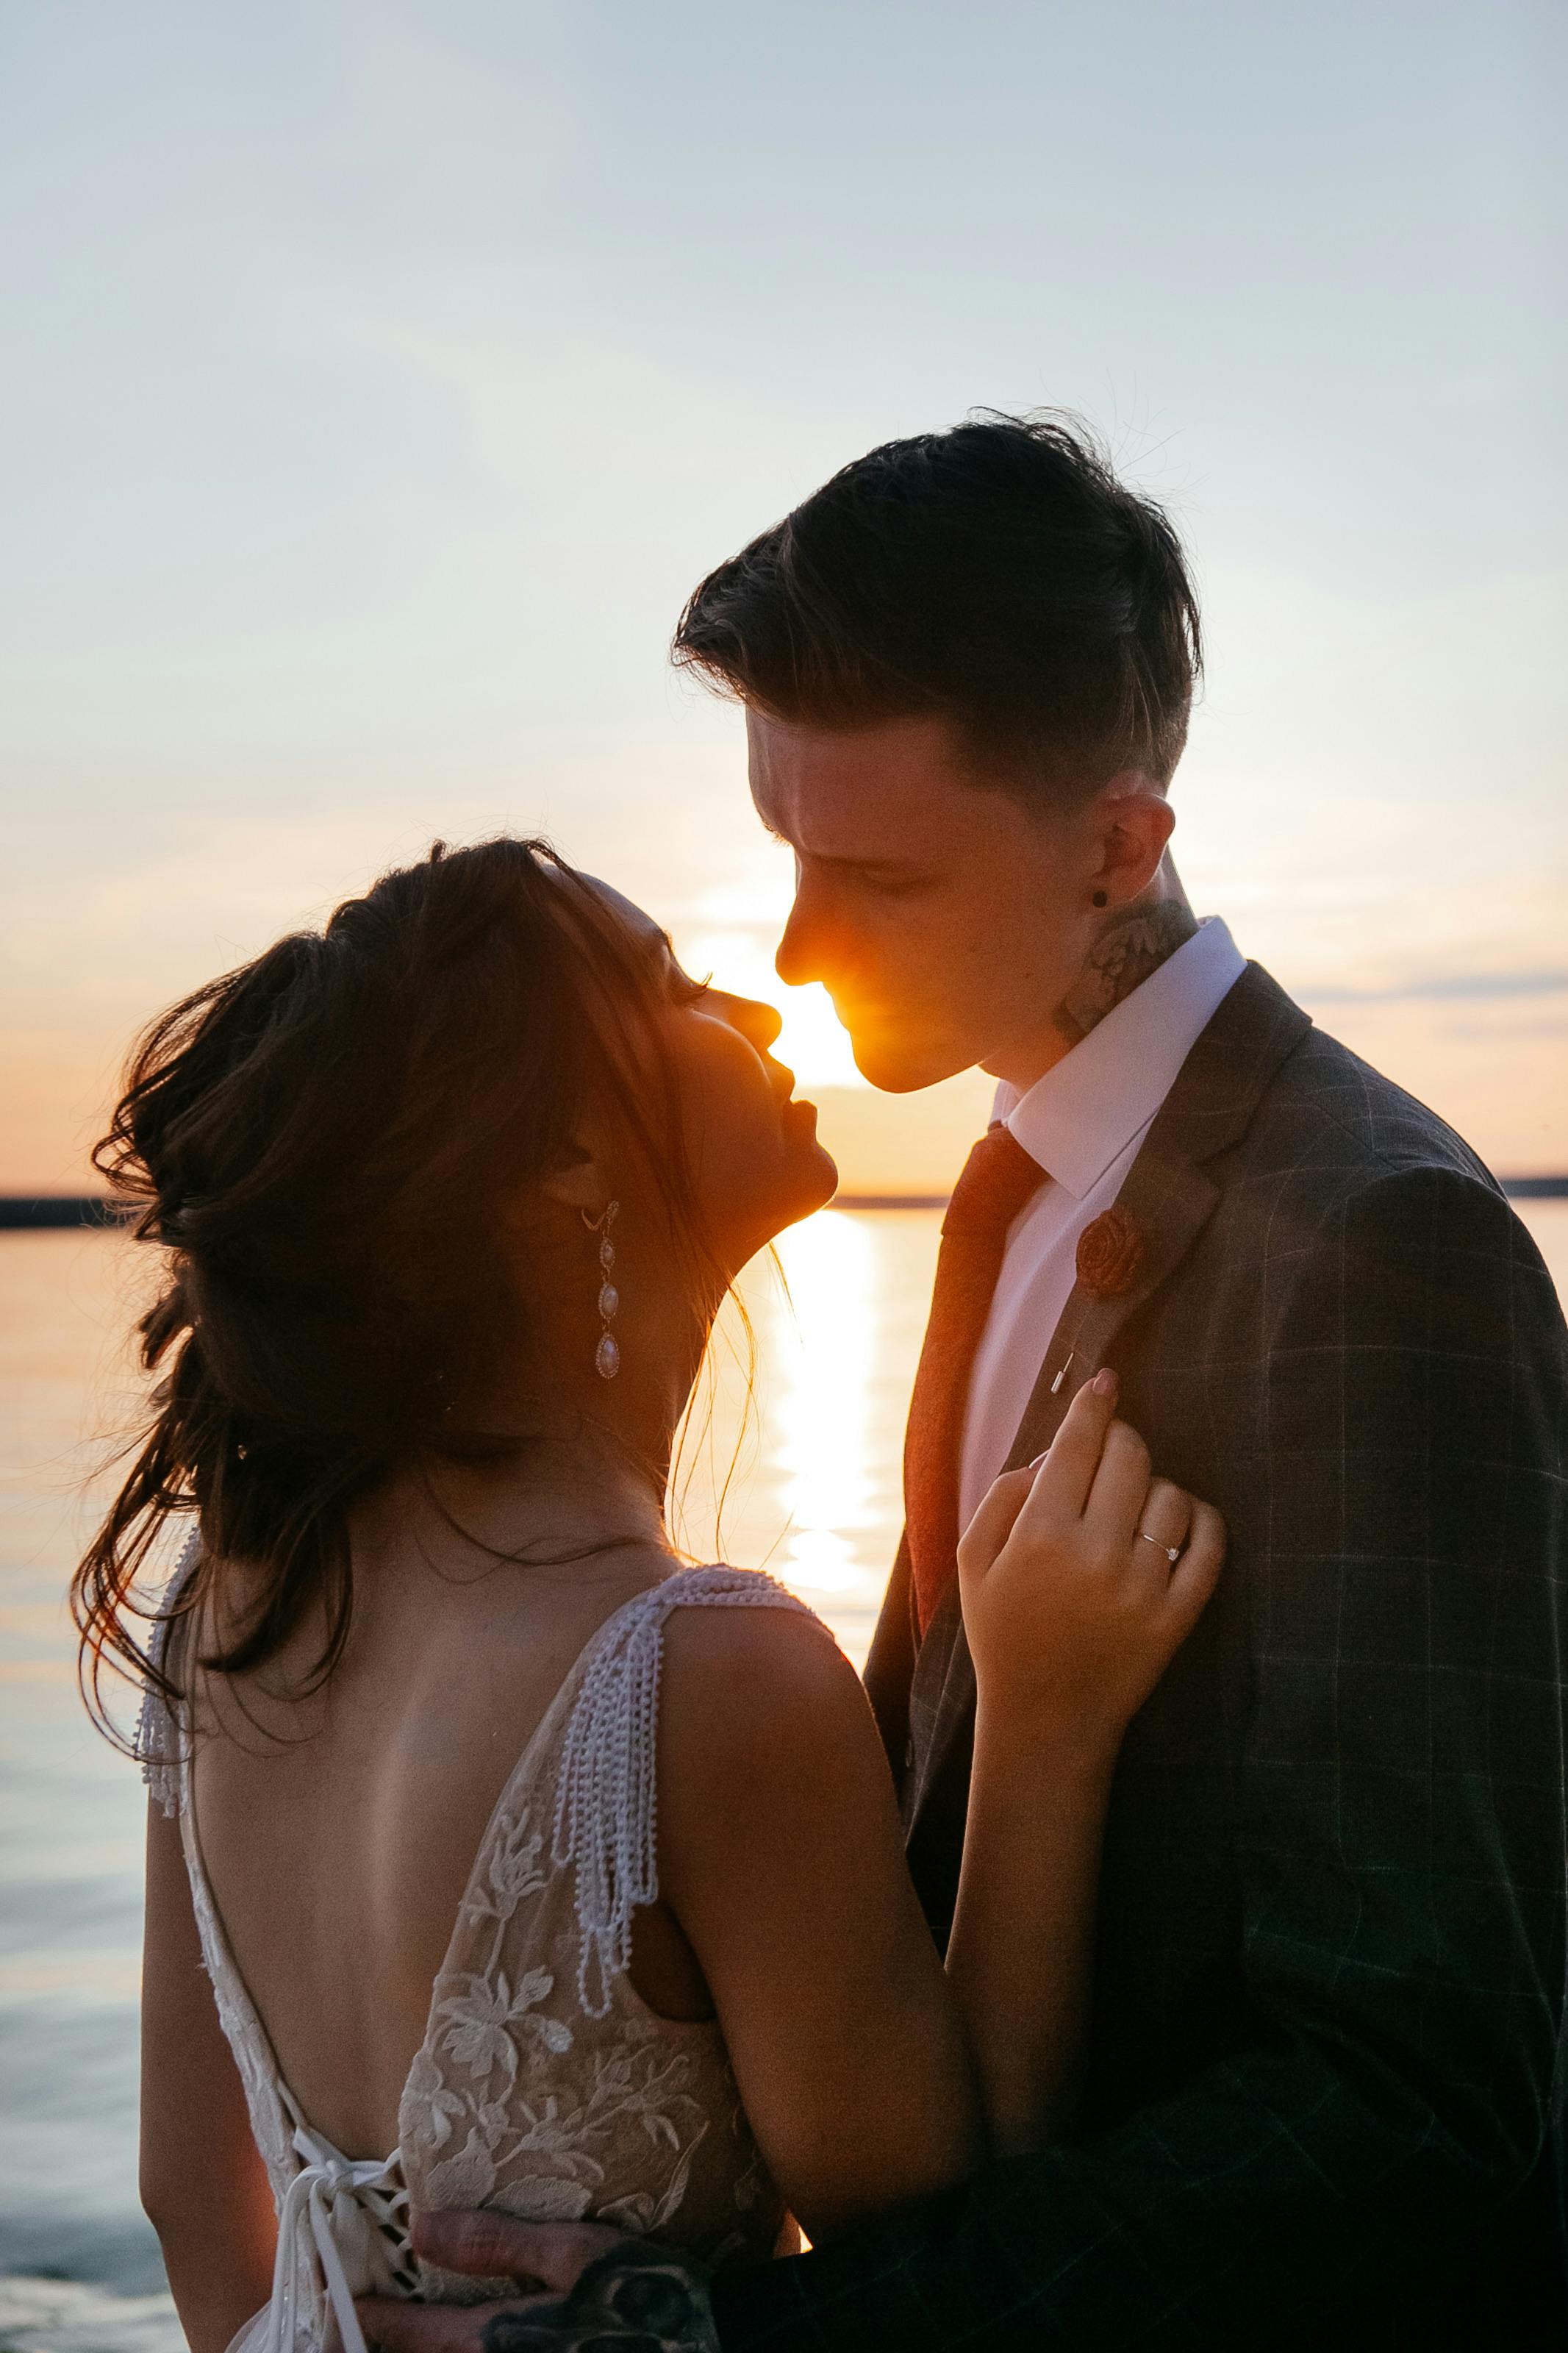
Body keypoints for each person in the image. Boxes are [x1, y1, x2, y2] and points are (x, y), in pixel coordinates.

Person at [390, 415, 1568, 2348]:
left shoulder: (1377, 1248)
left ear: (1115, 844)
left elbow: (1411, 2110)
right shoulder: (1001, 1185)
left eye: (871, 876)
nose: (792, 945)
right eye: (779, 847)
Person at [74, 837, 1222, 2353]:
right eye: (675, 986)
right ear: (564, 1154)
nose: (752, 1010)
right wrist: (1045, 1725)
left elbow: (202, 2227)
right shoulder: (697, 1675)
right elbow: (953, 2240)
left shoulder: (219, 1623)